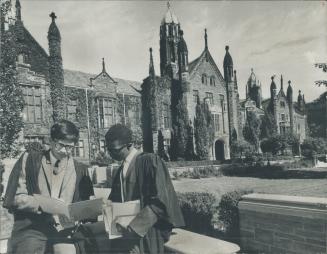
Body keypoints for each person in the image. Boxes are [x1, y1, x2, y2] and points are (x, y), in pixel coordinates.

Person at [3, 120, 94, 254]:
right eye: (61, 145)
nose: (65, 151)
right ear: (51, 141)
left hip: (66, 230)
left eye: (70, 147)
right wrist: (41, 203)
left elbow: (87, 208)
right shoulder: (30, 161)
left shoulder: (80, 170)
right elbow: (16, 197)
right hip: (33, 227)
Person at [105, 124, 185, 254]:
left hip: (146, 231)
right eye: (109, 150)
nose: (111, 154)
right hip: (123, 232)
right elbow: (115, 199)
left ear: (129, 145)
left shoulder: (149, 162)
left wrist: (134, 228)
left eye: (115, 150)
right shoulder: (120, 169)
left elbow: (160, 201)